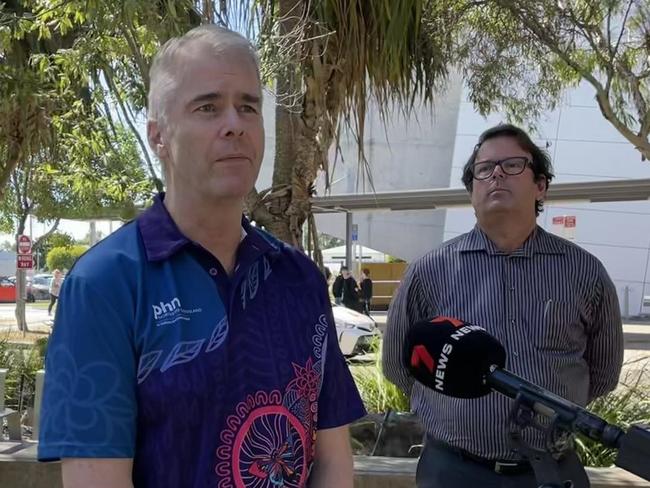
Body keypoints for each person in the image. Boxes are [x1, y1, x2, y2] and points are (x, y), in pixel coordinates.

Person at [38, 25, 366, 488]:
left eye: (248, 106)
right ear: (159, 137)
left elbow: (332, 459)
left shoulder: (301, 279)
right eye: (208, 106)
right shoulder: (104, 284)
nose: (234, 123)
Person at [382, 124, 623, 488]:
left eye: (512, 165)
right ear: (472, 190)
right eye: (484, 169)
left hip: (553, 473)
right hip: (451, 471)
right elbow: (400, 366)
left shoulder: (585, 272)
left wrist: (550, 409)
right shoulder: (428, 272)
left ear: (540, 185)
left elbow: (603, 373)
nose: (496, 173)